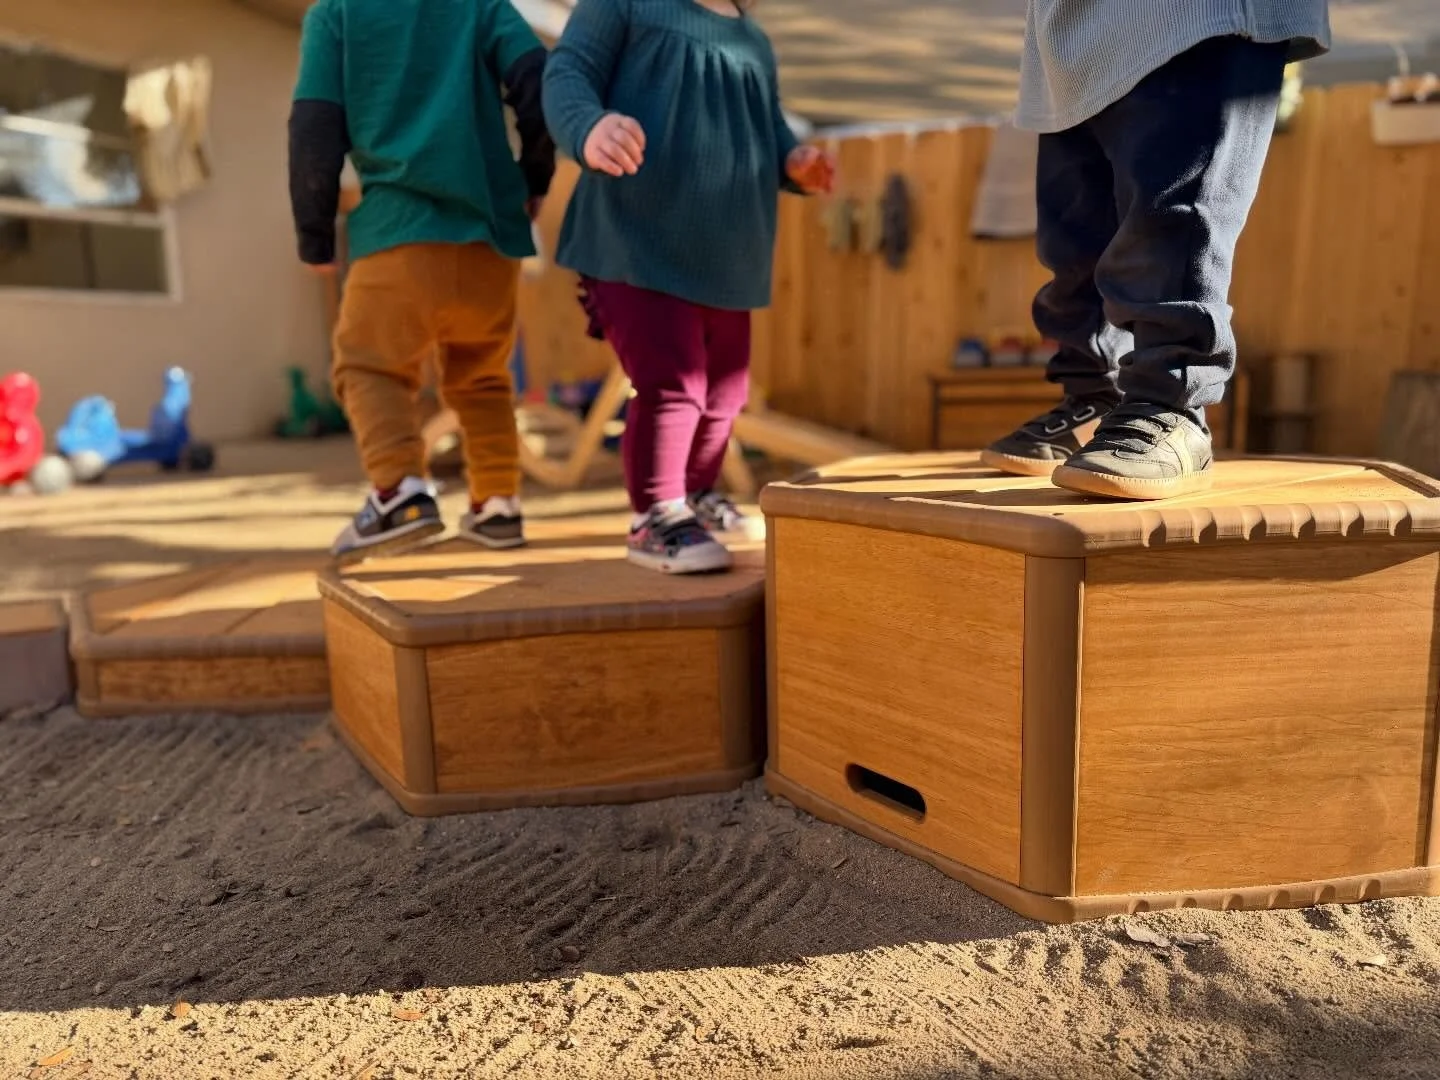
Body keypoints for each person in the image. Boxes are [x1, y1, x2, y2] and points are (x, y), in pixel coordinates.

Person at [981, 2, 1330, 500]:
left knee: (1170, 222)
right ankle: (1098, 398)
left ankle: (1172, 407)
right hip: (1066, 44)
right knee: (1075, 247)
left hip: (1192, 20)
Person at [543, 0, 835, 574]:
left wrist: (792, 161)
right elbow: (568, 72)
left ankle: (696, 495)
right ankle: (656, 514)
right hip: (639, 235)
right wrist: (589, 126)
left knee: (725, 397)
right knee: (673, 383)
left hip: (728, 253)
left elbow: (768, 126)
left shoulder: (752, 39)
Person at [288, 0, 555, 562]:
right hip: (490, 239)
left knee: (367, 365)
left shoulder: (336, 14)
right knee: (481, 376)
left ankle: (398, 492)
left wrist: (314, 233)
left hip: (399, 231)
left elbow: (314, 126)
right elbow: (536, 76)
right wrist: (534, 176)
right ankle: (497, 505)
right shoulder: (480, 6)